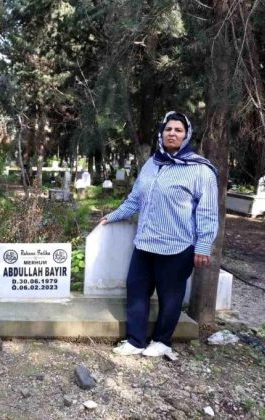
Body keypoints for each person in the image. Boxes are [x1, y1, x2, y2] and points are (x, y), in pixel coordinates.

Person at [100, 111, 219, 357]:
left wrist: (204, 245)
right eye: (168, 129)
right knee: (136, 291)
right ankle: (134, 341)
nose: (172, 134)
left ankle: (162, 341)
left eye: (178, 130)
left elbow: (207, 211)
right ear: (161, 133)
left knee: (170, 296)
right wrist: (113, 215)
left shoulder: (200, 170)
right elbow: (135, 200)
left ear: (187, 136)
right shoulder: (151, 164)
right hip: (145, 243)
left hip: (177, 247)